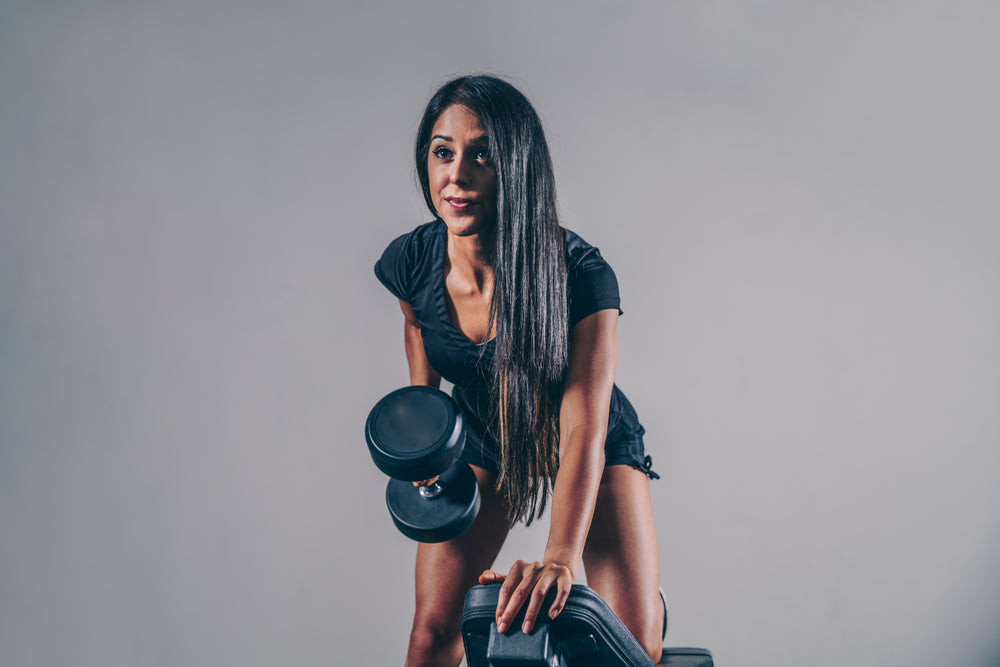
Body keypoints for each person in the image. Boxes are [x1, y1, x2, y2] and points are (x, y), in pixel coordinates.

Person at [374, 75, 664, 666]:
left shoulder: (581, 275)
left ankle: (647, 604)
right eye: (443, 152)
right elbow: (416, 325)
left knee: (636, 651)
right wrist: (425, 439)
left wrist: (561, 555)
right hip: (485, 432)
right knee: (431, 636)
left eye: (483, 155)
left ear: (519, 168)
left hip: (589, 441)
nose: (457, 175)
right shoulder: (412, 261)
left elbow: (583, 423)